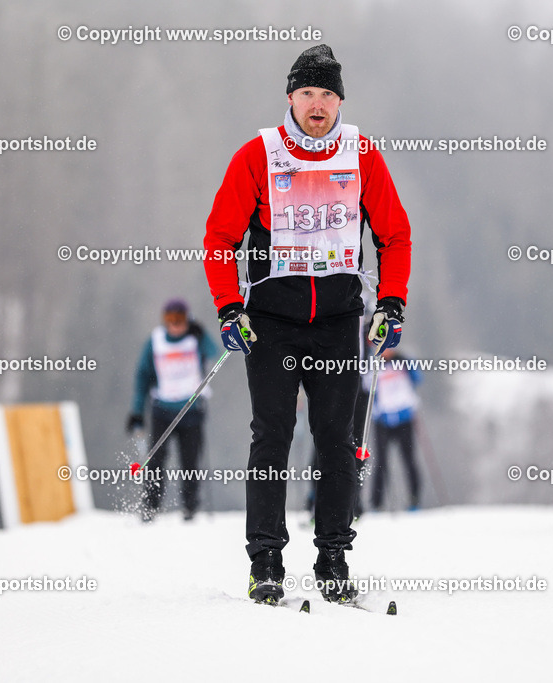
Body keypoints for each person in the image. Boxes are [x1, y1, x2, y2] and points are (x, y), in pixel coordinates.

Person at [203, 44, 412, 604]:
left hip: (339, 320)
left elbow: (394, 235)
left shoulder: (362, 154)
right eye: (307, 94)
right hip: (271, 320)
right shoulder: (258, 155)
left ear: (339, 100)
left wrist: (391, 304)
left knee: (336, 440)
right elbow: (221, 240)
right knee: (272, 435)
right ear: (290, 98)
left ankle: (333, 557)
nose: (316, 105)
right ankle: (266, 558)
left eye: (327, 94)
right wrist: (228, 307)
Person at [126, 299, 218, 522]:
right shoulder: (156, 341)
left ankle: (190, 508)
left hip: (192, 411)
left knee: (190, 462)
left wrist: (201, 333)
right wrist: (137, 411)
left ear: (187, 319)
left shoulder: (195, 338)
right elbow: (142, 376)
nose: (175, 325)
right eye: (170, 320)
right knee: (155, 460)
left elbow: (215, 351)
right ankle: (151, 507)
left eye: (180, 319)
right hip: (163, 411)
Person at [368, 347, 423, 512]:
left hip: (404, 418)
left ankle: (414, 500)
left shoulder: (404, 360)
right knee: (381, 462)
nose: (387, 351)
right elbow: (367, 387)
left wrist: (408, 363)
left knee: (409, 459)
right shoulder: (373, 364)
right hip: (383, 419)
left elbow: (418, 379)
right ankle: (376, 503)